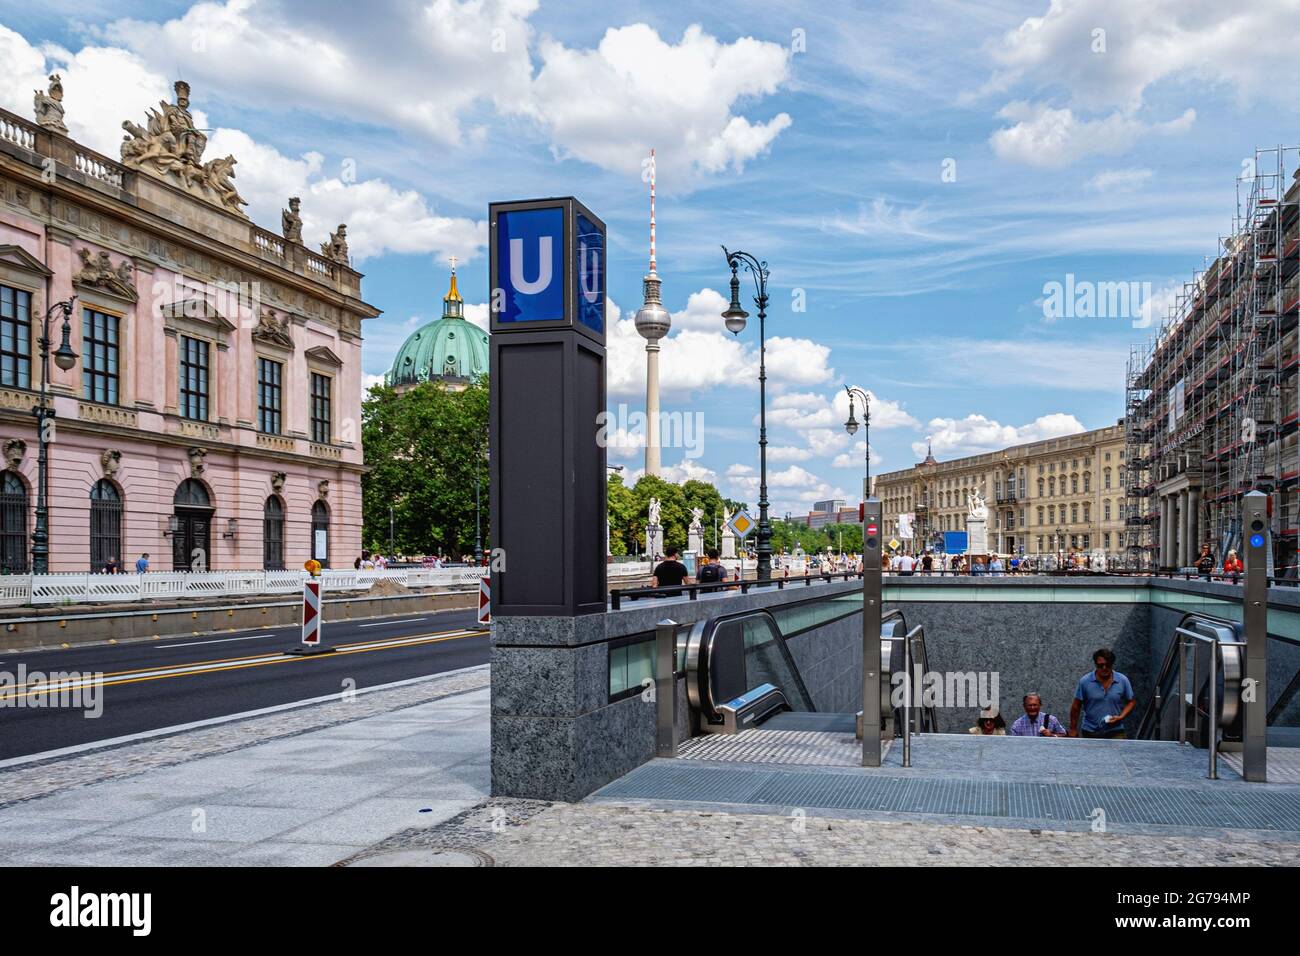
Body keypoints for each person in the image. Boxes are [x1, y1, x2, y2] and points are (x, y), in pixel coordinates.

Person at [1069, 647, 1136, 739]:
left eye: (1107, 665)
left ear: (1112, 664)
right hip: (1091, 731)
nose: (1104, 668)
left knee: (1118, 753)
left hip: (1115, 730)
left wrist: (1121, 716)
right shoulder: (1085, 682)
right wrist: (1073, 729)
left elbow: (1131, 701)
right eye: (1100, 665)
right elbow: (1076, 706)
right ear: (1096, 665)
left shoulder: (1122, 680)